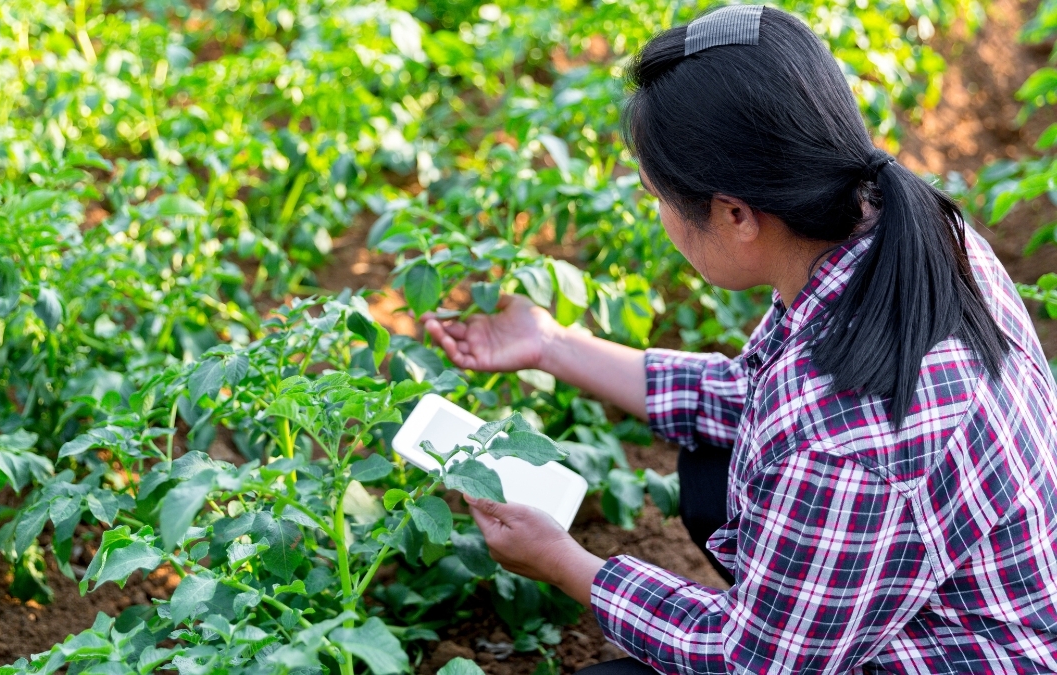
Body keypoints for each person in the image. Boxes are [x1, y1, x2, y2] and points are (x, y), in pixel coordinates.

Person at [421, 5, 1057, 673]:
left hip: (971, 657)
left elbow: (748, 660)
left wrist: (563, 561)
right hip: (982, 598)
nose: (661, 214)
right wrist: (551, 344)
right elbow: (750, 392)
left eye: (658, 196)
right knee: (709, 471)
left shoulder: (845, 431)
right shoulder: (900, 232)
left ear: (735, 214)